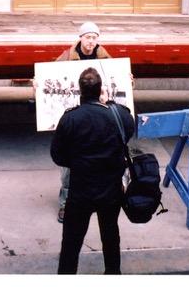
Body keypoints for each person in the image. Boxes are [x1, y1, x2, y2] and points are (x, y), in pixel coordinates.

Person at [51, 67, 135, 274]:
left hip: (81, 190)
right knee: (110, 234)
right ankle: (113, 273)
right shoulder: (119, 116)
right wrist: (110, 103)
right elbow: (128, 131)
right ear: (101, 91)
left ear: (80, 90)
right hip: (111, 190)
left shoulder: (70, 118)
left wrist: (78, 161)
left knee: (71, 240)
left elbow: (57, 156)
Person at [55, 22, 111, 224]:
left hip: (97, 119)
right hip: (77, 118)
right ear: (80, 38)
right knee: (70, 169)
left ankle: (95, 200)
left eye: (95, 37)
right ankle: (65, 204)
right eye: (88, 37)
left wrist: (130, 80)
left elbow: (119, 79)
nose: (91, 41)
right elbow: (49, 76)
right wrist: (36, 83)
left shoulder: (105, 57)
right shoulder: (68, 56)